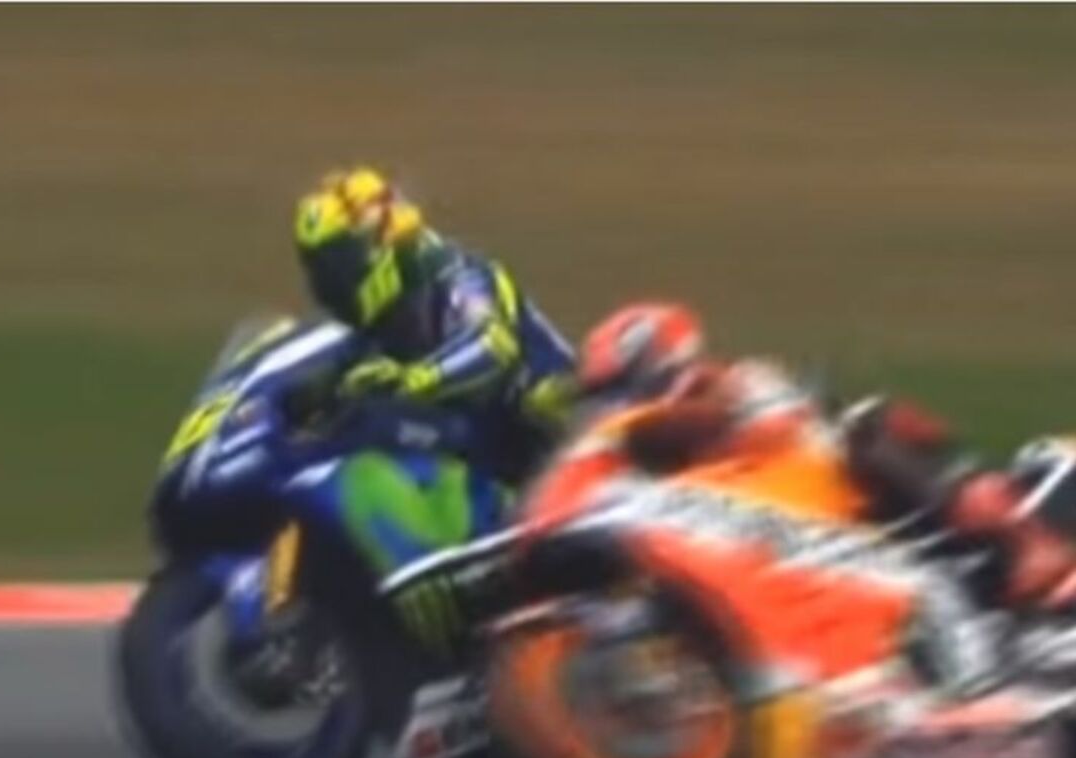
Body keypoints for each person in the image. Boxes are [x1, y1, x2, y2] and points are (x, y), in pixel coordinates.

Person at [530, 300, 1076, 614]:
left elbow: (765, 426)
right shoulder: (662, 465)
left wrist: (640, 423)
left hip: (852, 508)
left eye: (619, 390)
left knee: (867, 428)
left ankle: (1029, 543)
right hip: (791, 563)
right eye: (604, 398)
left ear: (664, 364)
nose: (616, 407)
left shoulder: (739, 384)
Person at [292, 166, 575, 482]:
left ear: (375, 251)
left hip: (548, 446)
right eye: (316, 267)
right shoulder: (383, 315)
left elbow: (492, 346)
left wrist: (411, 381)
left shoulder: (461, 274)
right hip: (470, 453)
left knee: (539, 403)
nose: (325, 282)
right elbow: (353, 372)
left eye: (335, 264)